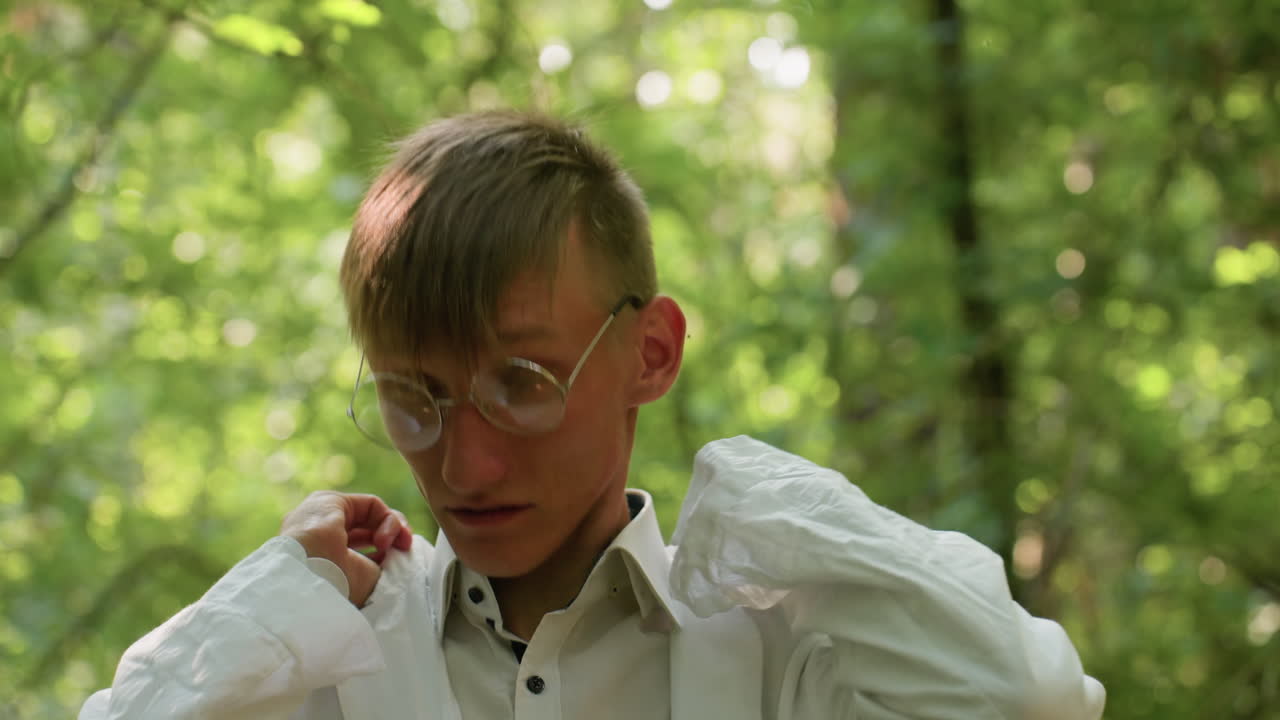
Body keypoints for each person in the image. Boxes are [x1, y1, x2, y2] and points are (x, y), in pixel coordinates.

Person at [81, 111, 1106, 720]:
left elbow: (1031, 701)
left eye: (521, 383)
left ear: (649, 352)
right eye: (412, 399)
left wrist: (764, 503)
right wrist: (267, 601)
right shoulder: (326, 660)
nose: (464, 466)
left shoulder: (779, 651)